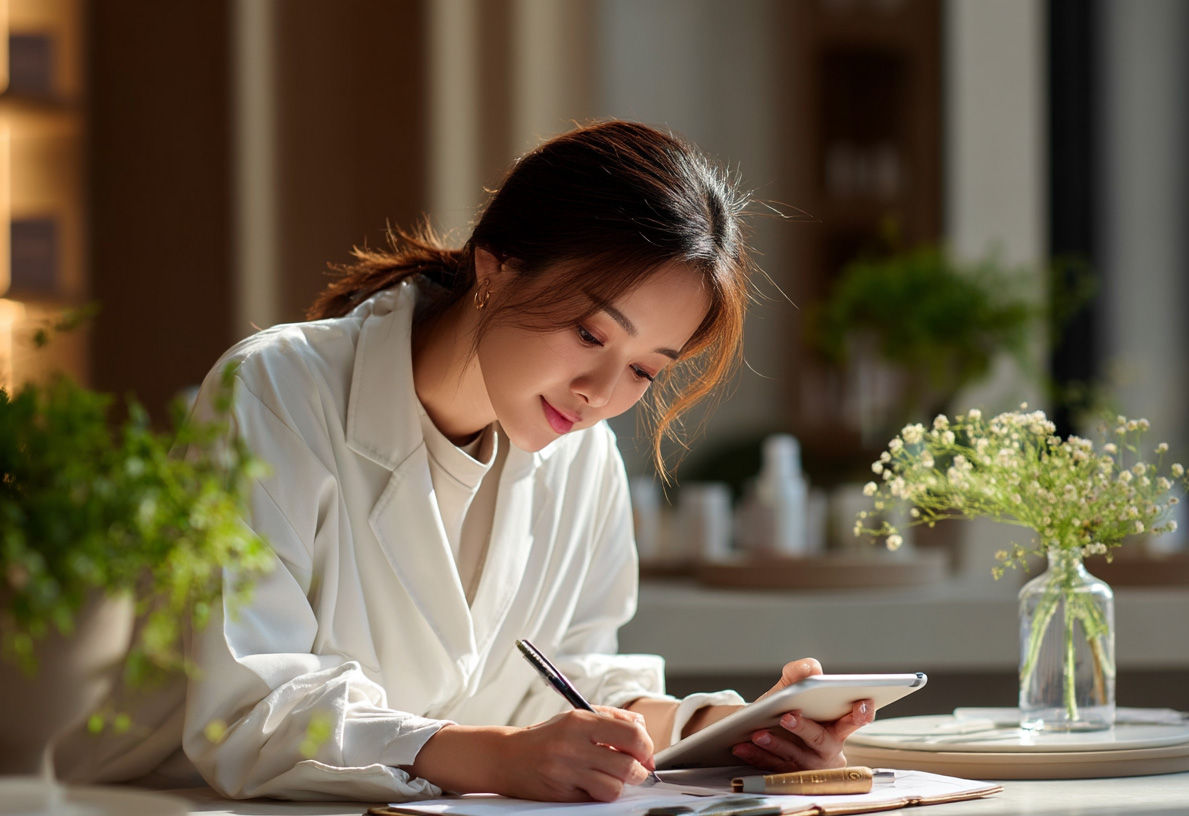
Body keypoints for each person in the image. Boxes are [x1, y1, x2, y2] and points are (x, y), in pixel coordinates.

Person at [58, 121, 874, 803]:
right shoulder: (277, 389)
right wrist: (495, 758)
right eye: (590, 334)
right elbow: (250, 705)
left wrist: (727, 732)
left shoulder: (579, 455)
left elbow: (570, 679)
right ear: (496, 266)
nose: (599, 391)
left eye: (644, 369)